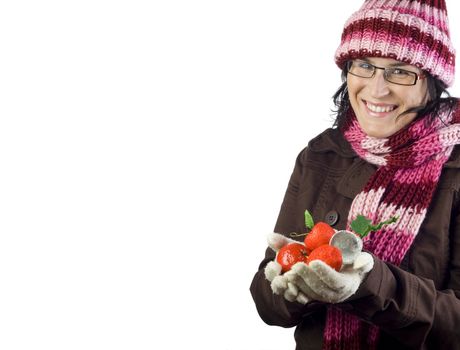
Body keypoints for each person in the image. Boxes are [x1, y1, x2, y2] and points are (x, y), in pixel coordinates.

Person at [250, 0, 460, 349]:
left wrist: (369, 283)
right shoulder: (320, 155)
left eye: (401, 70)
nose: (377, 89)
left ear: (432, 83)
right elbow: (267, 304)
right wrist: (294, 287)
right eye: (364, 65)